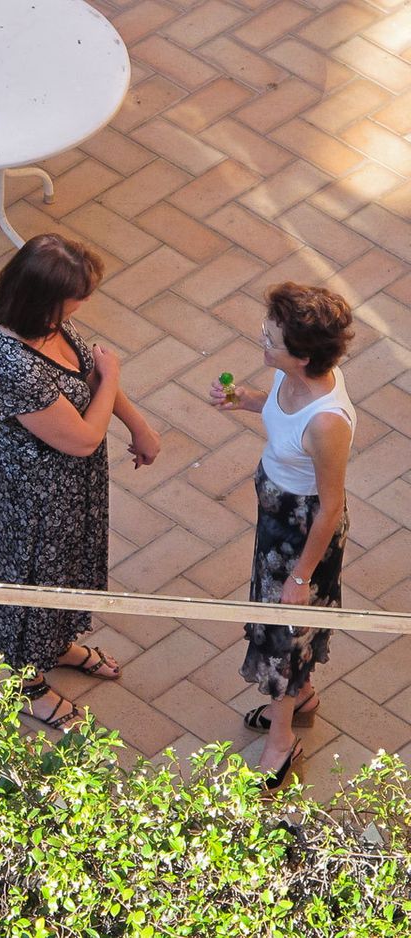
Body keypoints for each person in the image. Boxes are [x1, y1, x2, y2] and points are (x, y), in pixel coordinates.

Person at [0, 233, 161, 730]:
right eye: (76, 297)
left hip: (73, 487)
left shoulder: (49, 324)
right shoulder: (13, 363)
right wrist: (114, 376)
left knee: (69, 570)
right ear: (42, 298)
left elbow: (90, 379)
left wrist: (137, 425)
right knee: (36, 579)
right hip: (38, 497)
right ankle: (26, 681)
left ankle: (55, 646)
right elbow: (80, 438)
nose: (83, 305)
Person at [209, 282, 355, 791]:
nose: (261, 341)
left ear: (303, 356)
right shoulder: (288, 376)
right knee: (289, 630)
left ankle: (281, 740)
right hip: (277, 518)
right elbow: (274, 407)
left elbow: (331, 506)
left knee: (283, 635)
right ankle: (304, 698)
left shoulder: (327, 423)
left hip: (302, 535)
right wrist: (243, 398)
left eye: (270, 338)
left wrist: (300, 575)